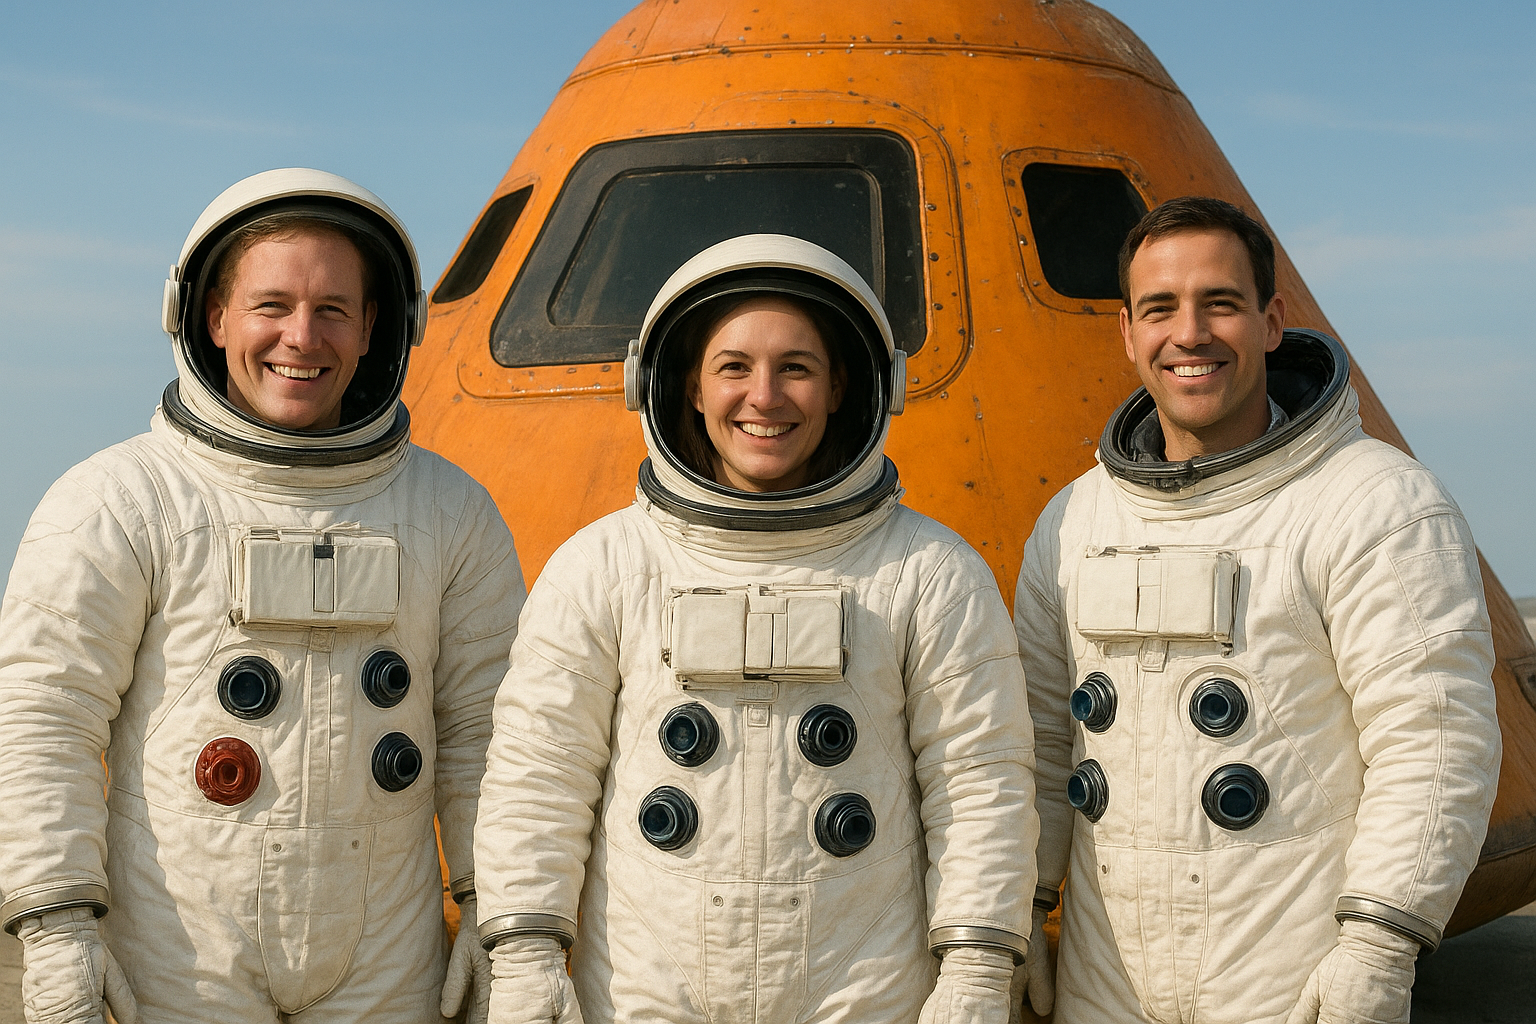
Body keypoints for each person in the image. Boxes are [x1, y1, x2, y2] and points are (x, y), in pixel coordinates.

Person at [0, 168, 525, 1024]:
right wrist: (56, 922)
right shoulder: (119, 501)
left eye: (332, 310)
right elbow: (42, 720)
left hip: (386, 953)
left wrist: (498, 911)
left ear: (373, 330)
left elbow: (487, 736)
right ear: (209, 317)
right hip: (179, 950)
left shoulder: (448, 510)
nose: (301, 337)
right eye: (271, 305)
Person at [473, 234, 1038, 1024]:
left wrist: (977, 967)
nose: (763, 397)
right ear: (684, 389)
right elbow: (541, 776)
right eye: (733, 366)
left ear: (845, 387)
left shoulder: (927, 570)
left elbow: (979, 781)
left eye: (796, 368)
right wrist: (527, 955)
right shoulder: (605, 565)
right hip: (647, 989)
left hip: (865, 990)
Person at [1012, 195, 1500, 1024]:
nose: (1190, 334)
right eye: (1160, 309)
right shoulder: (1076, 521)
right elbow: (1039, 743)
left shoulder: (1375, 504)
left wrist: (1378, 948)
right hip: (1109, 986)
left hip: (1292, 985)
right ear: (1128, 334)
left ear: (1272, 322)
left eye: (1221, 304)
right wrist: (1020, 913)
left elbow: (1434, 741)